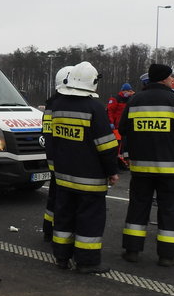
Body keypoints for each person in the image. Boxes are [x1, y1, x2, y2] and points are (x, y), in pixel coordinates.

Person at [118, 64, 174, 267]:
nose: (173, 80)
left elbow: (123, 128)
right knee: (169, 209)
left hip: (141, 167)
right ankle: (168, 255)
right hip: (169, 168)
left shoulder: (135, 100)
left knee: (137, 207)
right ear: (163, 79)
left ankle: (132, 251)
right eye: (171, 77)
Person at [50, 61, 119, 274]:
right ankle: (87, 262)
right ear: (92, 83)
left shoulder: (58, 106)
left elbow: (52, 141)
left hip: (63, 176)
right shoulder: (94, 109)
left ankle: (61, 257)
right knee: (89, 220)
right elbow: (106, 145)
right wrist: (112, 171)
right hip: (90, 179)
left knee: (63, 217)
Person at [41, 66, 74, 242]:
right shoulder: (62, 105)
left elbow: (47, 132)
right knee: (62, 199)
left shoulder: (51, 104)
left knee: (53, 196)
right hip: (64, 161)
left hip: (53, 158)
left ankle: (48, 228)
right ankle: (59, 232)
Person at [107, 83, 134, 170]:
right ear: (123, 91)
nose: (128, 93)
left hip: (125, 126)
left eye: (130, 91)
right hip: (116, 127)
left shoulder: (130, 99)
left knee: (124, 146)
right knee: (117, 146)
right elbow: (109, 111)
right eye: (127, 91)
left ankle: (123, 163)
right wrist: (111, 122)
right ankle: (115, 164)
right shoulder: (116, 99)